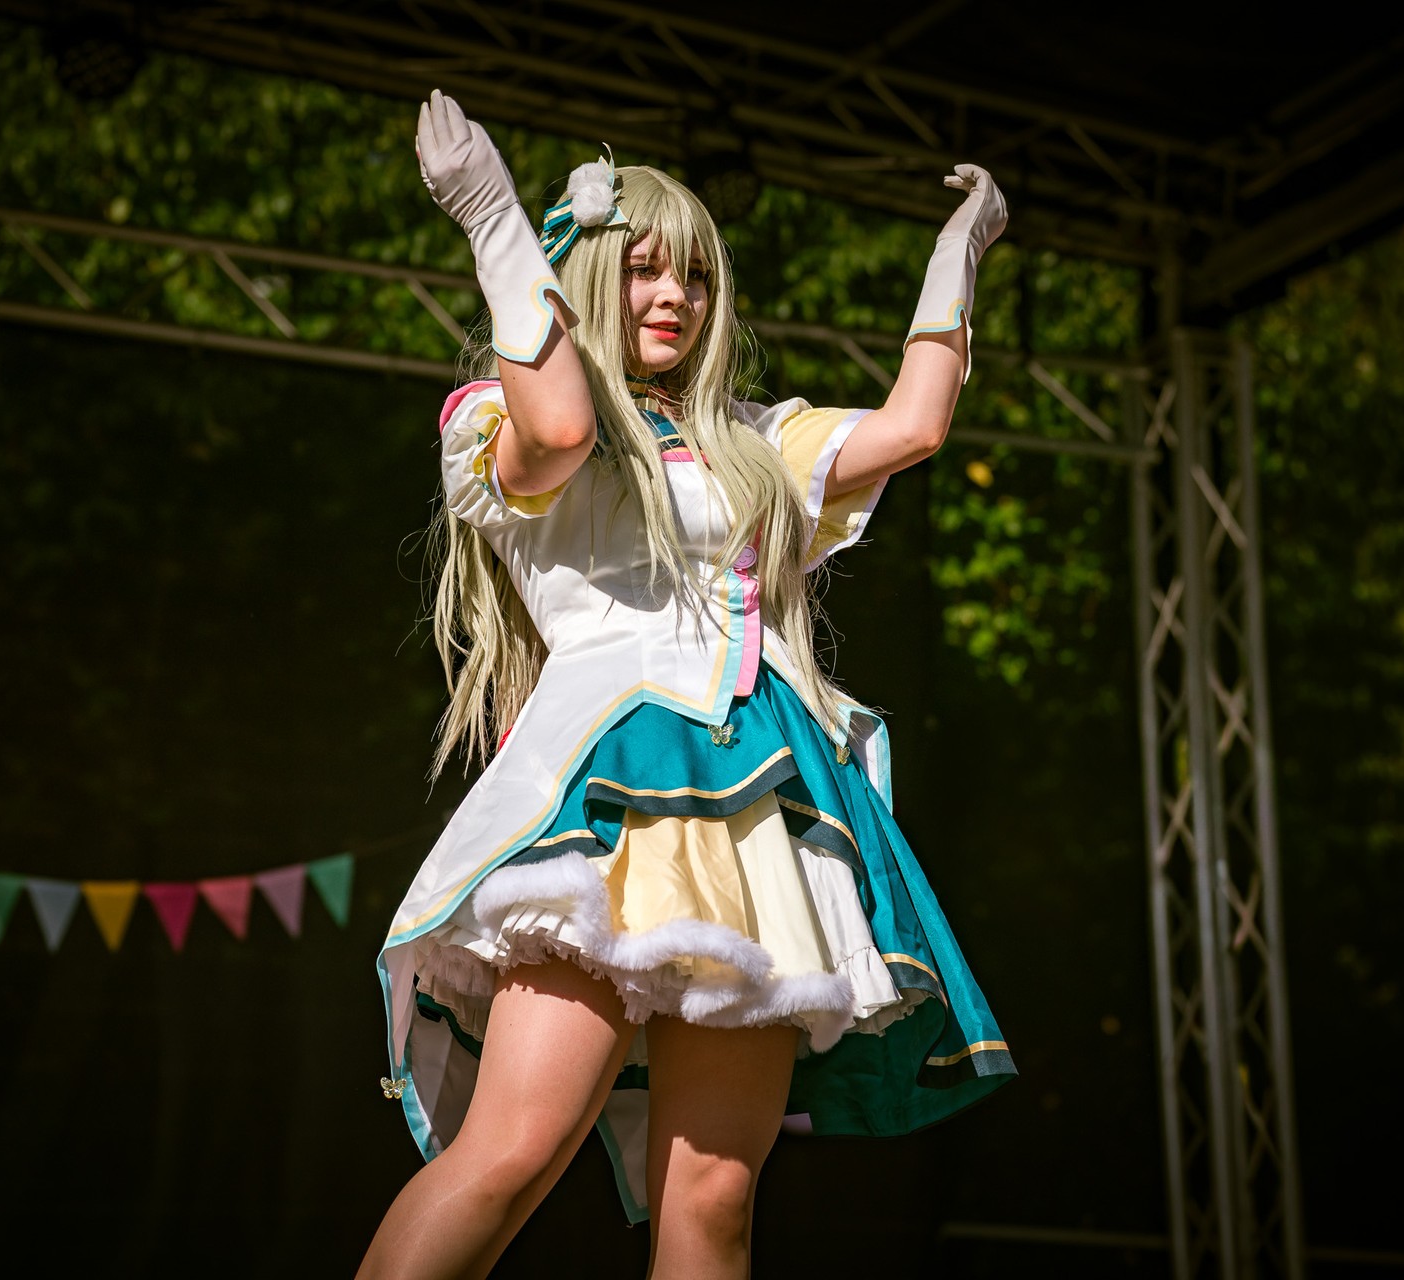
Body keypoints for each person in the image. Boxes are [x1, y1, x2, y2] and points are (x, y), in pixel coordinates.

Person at [359, 90, 1014, 1280]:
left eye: (698, 277)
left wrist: (959, 253)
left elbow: (915, 427)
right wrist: (494, 219)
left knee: (714, 1199)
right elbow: (562, 425)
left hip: (759, 816)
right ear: (586, 278)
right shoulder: (503, 418)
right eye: (644, 269)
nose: (675, 296)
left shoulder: (757, 440)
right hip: (605, 800)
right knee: (514, 1152)